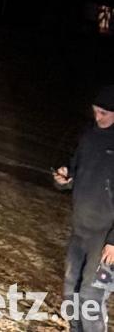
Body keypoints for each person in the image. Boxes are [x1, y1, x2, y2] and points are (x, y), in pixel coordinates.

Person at [53, 85, 114, 332]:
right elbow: (76, 171)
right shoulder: (88, 137)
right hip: (80, 231)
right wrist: (63, 179)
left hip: (106, 241)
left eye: (104, 113)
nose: (98, 118)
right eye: (95, 111)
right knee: (71, 295)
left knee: (92, 299)